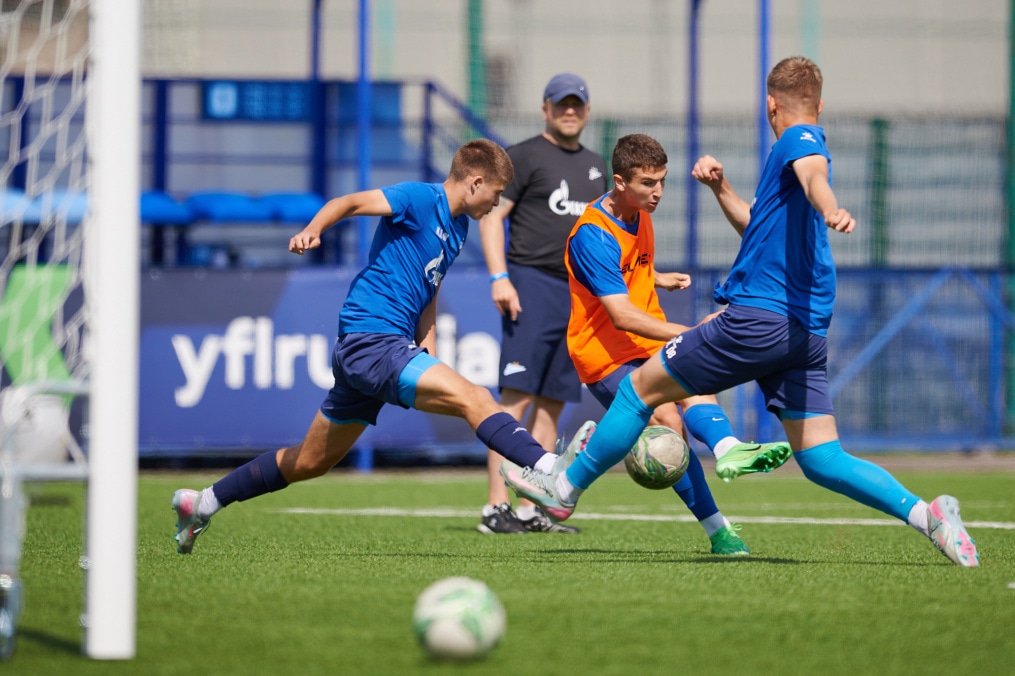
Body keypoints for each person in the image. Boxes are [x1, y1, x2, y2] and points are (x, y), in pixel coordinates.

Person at [502, 57, 980, 567]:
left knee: (642, 388)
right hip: (806, 331)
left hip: (760, 318)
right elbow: (759, 228)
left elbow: (814, 169)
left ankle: (565, 487)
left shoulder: (797, 140)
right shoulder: (777, 176)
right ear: (821, 102)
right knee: (820, 457)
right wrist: (721, 190)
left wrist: (829, 203)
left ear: (771, 104)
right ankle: (928, 518)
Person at [171, 139, 587, 554]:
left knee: (311, 461)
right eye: (496, 193)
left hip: (382, 349)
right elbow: (348, 202)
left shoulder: (458, 228)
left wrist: (431, 355)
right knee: (475, 397)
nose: (498, 203)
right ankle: (549, 470)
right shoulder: (420, 198)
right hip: (371, 341)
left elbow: (430, 292)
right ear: (476, 182)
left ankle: (203, 502)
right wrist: (313, 230)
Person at [564, 133, 792, 555]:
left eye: (663, 181)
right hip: (603, 351)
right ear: (619, 181)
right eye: (648, 183)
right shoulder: (591, 234)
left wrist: (656, 278)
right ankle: (717, 530)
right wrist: (693, 334)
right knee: (669, 422)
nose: (658, 193)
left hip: (641, 340)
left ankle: (728, 449)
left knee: (696, 379)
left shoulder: (639, 213)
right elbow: (621, 314)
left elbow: (626, 272)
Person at [475, 73, 609, 534]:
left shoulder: (596, 166)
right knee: (514, 401)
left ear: (587, 111)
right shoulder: (525, 155)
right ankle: (496, 509)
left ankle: (531, 509)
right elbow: (492, 216)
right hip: (529, 285)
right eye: (561, 104)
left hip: (577, 294)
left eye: (577, 104)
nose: (569, 111)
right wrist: (500, 277)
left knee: (552, 405)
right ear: (546, 108)